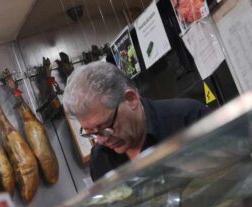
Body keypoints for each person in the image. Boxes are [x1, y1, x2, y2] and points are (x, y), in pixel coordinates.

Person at [62, 61, 209, 181]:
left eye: (105, 127)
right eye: (90, 132)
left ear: (131, 99)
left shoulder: (188, 118)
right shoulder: (100, 160)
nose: (101, 140)